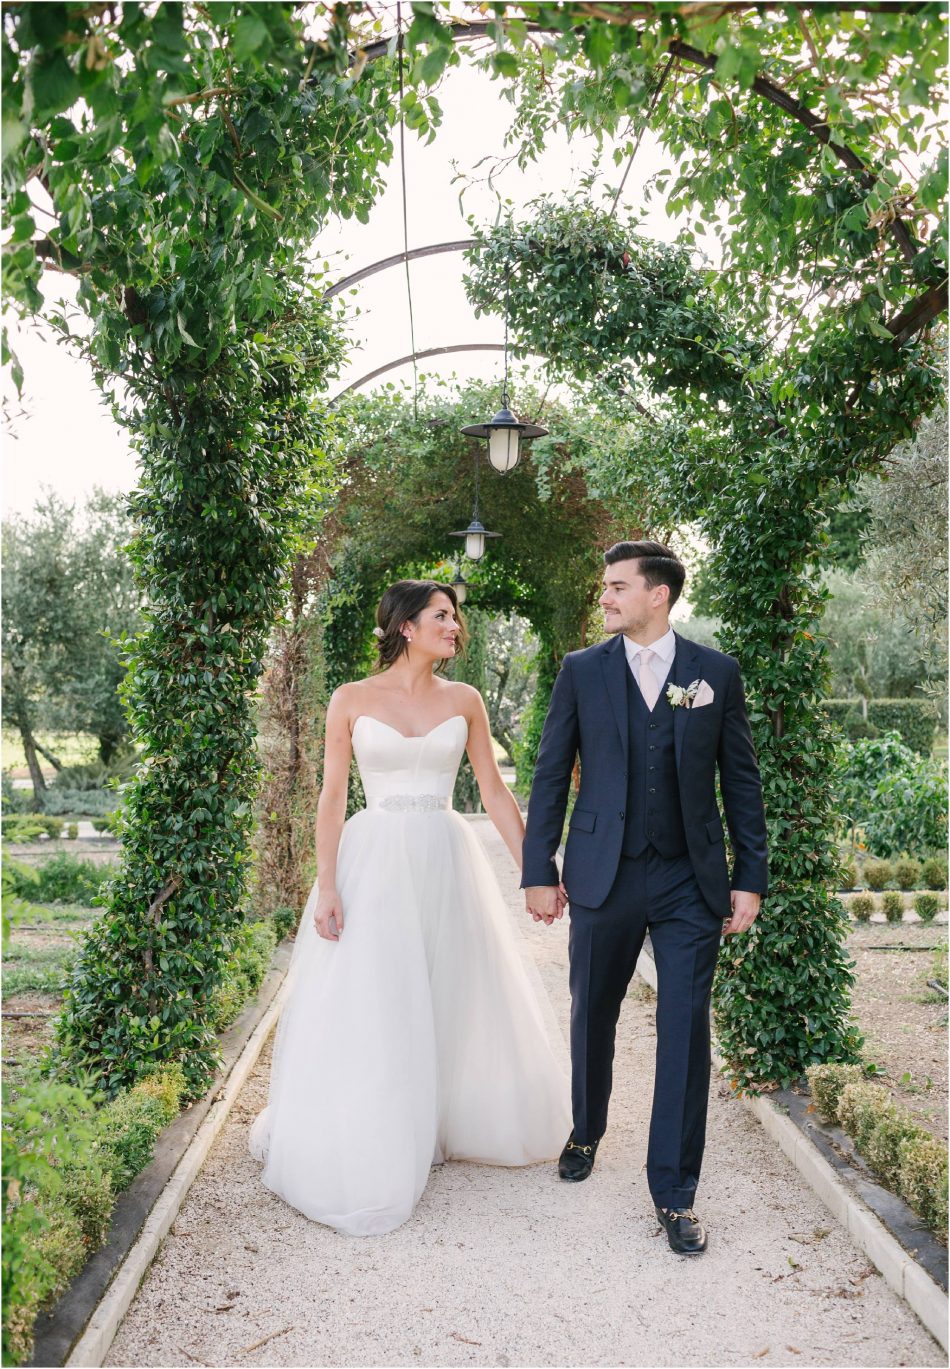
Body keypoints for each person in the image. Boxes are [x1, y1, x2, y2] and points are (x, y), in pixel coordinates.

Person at [250, 579, 570, 1236]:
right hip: (374, 861)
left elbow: (495, 791)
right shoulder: (351, 699)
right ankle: (385, 1126)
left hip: (445, 853)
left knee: (452, 987)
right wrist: (329, 882)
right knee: (383, 996)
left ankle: (446, 1117)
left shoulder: (466, 700)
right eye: (443, 616)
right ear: (406, 626)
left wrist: (537, 872)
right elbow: (333, 797)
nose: (456, 626)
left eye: (456, 617)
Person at [521, 540, 768, 1255]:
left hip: (692, 879)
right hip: (603, 870)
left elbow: (741, 782)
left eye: (616, 587)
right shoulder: (581, 671)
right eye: (605, 587)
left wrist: (748, 876)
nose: (605, 598)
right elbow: (548, 772)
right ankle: (587, 1126)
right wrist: (540, 866)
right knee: (592, 1010)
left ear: (657, 594)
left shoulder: (713, 673)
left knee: (686, 1030)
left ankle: (675, 1192)